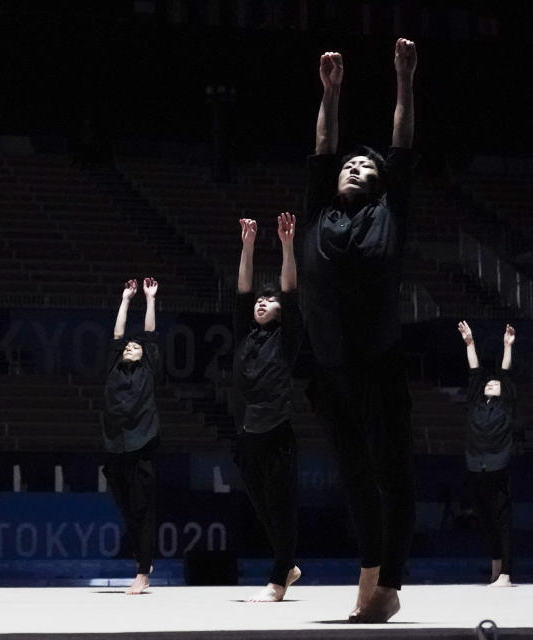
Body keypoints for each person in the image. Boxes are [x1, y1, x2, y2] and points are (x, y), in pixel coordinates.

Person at [301, 38, 417, 623]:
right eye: (350, 163)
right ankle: (371, 574)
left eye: (365, 166)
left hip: (379, 360)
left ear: (378, 183)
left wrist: (404, 80)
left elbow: (400, 145)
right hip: (329, 368)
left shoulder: (388, 211)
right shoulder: (320, 210)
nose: (354, 166)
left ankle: (387, 583)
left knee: (391, 473)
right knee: (353, 479)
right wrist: (331, 93)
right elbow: (324, 146)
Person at [233, 213, 303, 602]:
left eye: (269, 299)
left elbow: (290, 290)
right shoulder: (245, 334)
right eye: (261, 299)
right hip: (247, 432)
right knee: (262, 508)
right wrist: (247, 246)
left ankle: (279, 579)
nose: (262, 302)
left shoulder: (287, 338)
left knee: (282, 507)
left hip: (277, 431)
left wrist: (286, 245)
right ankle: (287, 563)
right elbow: (243, 291)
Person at [103, 277, 160, 595]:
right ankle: (143, 558)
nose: (129, 347)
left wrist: (149, 299)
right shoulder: (113, 367)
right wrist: (125, 299)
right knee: (126, 509)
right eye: (128, 346)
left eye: (134, 347)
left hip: (142, 445)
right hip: (114, 447)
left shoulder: (148, 370)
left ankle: (142, 571)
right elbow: (116, 335)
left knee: (142, 509)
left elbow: (149, 337)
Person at [457, 321, 519, 587]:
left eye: (495, 384)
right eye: (489, 383)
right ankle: (495, 563)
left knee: (501, 516)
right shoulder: (475, 403)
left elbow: (505, 373)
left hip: (497, 463)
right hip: (476, 463)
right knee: (483, 515)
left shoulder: (505, 403)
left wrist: (507, 346)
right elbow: (474, 372)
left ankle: (505, 572)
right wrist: (469, 343)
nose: (492, 383)